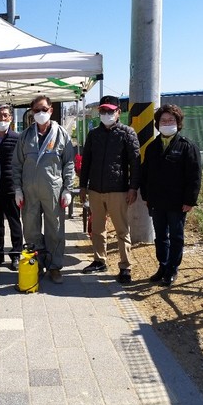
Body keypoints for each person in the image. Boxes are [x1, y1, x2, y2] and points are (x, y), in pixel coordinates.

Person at [12, 95, 74, 284]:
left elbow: (68, 163)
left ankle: (55, 266)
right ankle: (36, 264)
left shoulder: (61, 134)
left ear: (51, 110)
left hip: (53, 191)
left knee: (55, 229)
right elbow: (17, 165)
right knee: (31, 230)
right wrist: (18, 189)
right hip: (29, 192)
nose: (40, 113)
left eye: (43, 109)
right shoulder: (25, 136)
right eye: (36, 110)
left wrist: (67, 189)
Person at [79, 95, 141, 284]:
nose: (106, 114)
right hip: (96, 189)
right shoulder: (94, 134)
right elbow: (86, 161)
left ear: (118, 112)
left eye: (110, 111)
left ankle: (125, 267)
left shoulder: (127, 133)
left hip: (118, 189)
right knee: (97, 228)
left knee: (122, 230)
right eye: (103, 111)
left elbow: (135, 162)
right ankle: (99, 260)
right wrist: (83, 186)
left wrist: (133, 188)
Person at [140, 104, 202, 286]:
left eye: (171, 120)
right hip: (157, 201)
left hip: (177, 203)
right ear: (157, 123)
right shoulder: (152, 147)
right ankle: (163, 265)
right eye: (163, 120)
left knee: (176, 236)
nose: (167, 123)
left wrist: (190, 200)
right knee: (160, 236)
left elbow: (194, 176)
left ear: (178, 122)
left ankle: (173, 268)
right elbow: (146, 174)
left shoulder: (187, 146)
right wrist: (146, 196)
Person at [0, 104, 23, 271]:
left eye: (5, 115)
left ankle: (15, 255)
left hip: (11, 188)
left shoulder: (18, 138)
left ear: (11, 118)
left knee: (15, 223)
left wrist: (20, 188)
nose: (2, 119)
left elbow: (22, 164)